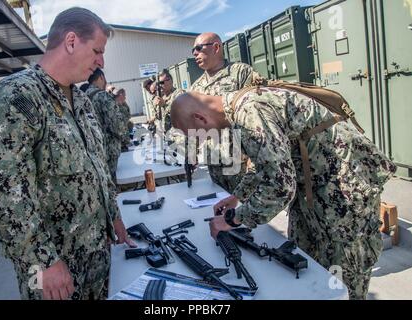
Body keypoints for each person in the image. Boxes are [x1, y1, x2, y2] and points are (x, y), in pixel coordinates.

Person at [170, 89, 396, 300]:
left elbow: (279, 187)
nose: (203, 141)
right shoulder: (238, 110)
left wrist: (232, 219)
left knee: (343, 279)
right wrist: (238, 196)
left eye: (199, 136)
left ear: (200, 118)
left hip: (344, 192)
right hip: (314, 188)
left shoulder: (250, 113)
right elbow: (265, 164)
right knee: (303, 262)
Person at [0, 7, 135, 300]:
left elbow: (97, 167)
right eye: (97, 51)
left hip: (96, 258)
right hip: (53, 272)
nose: (101, 61)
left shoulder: (82, 102)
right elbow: (1, 196)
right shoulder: (18, 96)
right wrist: (42, 261)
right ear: (72, 41)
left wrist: (113, 216)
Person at [190, 32, 264, 193]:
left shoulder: (241, 73)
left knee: (243, 206)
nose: (195, 53)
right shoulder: (196, 87)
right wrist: (191, 153)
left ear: (216, 47)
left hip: (240, 160)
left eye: (198, 48)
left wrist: (255, 157)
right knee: (219, 206)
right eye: (193, 50)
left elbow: (258, 116)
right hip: (214, 160)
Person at [85, 68, 125, 178]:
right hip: (108, 150)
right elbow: (117, 126)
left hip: (92, 150)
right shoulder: (103, 96)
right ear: (101, 77)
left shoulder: (83, 96)